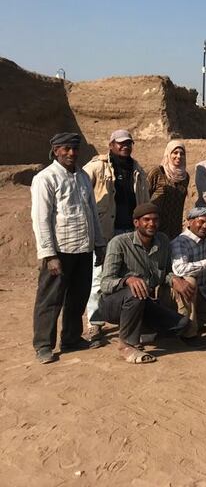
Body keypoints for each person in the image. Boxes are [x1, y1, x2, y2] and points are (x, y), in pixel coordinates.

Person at [31, 133, 106, 364]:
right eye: (66, 149)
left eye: (74, 149)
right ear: (55, 151)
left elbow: (92, 213)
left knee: (78, 297)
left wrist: (99, 244)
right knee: (50, 300)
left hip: (83, 249)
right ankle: (43, 345)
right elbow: (41, 219)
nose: (71, 153)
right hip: (59, 252)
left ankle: (72, 338)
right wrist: (49, 254)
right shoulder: (46, 178)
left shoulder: (83, 176)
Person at [96, 203, 193, 364]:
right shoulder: (119, 243)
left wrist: (174, 279)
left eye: (155, 220)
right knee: (135, 291)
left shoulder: (162, 240)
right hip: (112, 305)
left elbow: (164, 273)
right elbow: (105, 284)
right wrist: (127, 280)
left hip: (143, 303)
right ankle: (127, 345)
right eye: (146, 220)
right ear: (136, 223)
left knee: (182, 324)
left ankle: (141, 332)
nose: (151, 224)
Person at [83, 129, 150, 346]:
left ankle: (127, 320)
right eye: (120, 143)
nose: (125, 146)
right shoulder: (97, 166)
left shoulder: (137, 169)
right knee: (99, 276)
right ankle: (94, 322)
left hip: (130, 232)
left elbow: (144, 199)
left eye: (128, 143)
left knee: (131, 275)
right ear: (111, 144)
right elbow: (82, 188)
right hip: (106, 233)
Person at [170, 207, 206, 338]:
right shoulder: (181, 242)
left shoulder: (205, 240)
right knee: (189, 281)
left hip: (203, 295)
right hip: (183, 293)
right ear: (189, 222)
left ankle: (197, 319)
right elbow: (180, 269)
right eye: (201, 222)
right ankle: (188, 333)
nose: (205, 226)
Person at [147, 140, 189, 240]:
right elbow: (145, 196)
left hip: (175, 227)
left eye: (182, 153)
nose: (178, 156)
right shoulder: (157, 172)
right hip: (156, 225)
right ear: (168, 154)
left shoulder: (185, 177)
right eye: (175, 153)